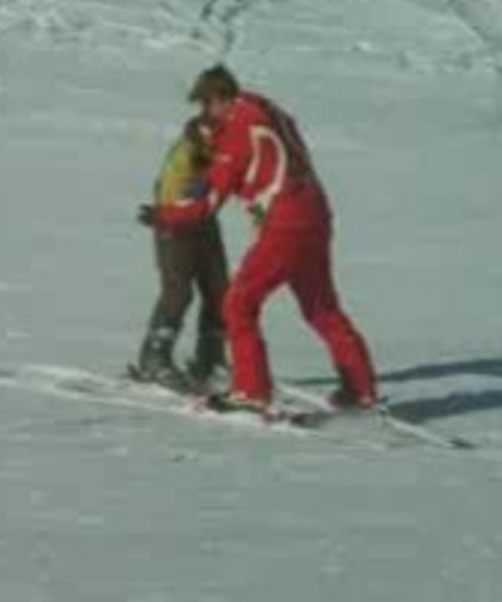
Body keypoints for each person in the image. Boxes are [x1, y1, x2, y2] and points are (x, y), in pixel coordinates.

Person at [146, 66, 378, 412]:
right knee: (322, 308)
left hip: (284, 224)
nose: (206, 113)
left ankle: (251, 392)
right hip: (315, 214)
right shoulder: (269, 109)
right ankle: (360, 390)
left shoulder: (238, 132)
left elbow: (208, 204)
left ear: (220, 100)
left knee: (238, 304)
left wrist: (163, 215)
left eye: (206, 105)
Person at [130, 115, 230, 392]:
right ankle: (154, 357)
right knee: (178, 291)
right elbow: (173, 196)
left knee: (220, 291)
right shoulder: (185, 158)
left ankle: (210, 358)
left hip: (203, 221)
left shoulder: (219, 150)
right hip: (173, 224)